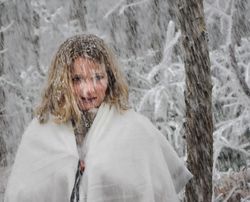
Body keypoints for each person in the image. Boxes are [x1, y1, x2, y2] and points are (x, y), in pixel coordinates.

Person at [4, 34, 192, 202]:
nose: (89, 89)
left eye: (97, 77)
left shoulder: (134, 129)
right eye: (77, 79)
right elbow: (23, 194)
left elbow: (152, 191)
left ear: (109, 78)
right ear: (62, 82)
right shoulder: (41, 131)